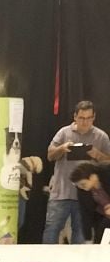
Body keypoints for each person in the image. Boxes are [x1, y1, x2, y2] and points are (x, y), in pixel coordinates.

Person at [43, 100, 110, 244]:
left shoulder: (101, 136)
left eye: (88, 118)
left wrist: (97, 154)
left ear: (93, 117)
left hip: (86, 196)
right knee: (52, 229)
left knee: (80, 232)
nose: (85, 122)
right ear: (75, 116)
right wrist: (62, 148)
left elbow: (108, 162)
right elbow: (49, 155)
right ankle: (46, 261)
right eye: (81, 118)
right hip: (61, 192)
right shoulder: (63, 133)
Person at [69, 161, 110, 241]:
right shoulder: (82, 190)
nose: (81, 187)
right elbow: (85, 214)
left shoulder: (107, 173)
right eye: (78, 186)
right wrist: (88, 238)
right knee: (99, 236)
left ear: (92, 177)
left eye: (83, 184)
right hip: (102, 217)